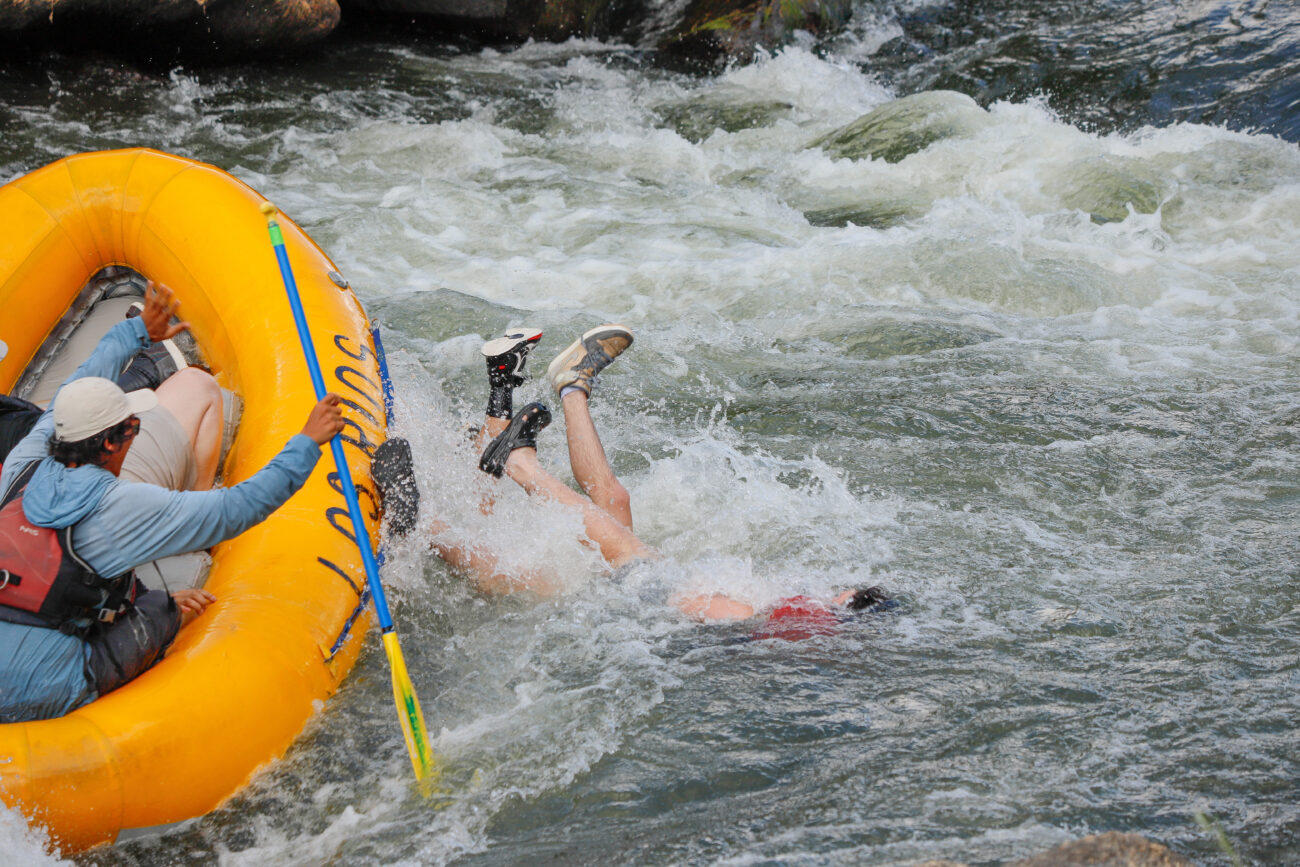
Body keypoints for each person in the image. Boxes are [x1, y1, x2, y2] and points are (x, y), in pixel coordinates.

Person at [373, 324, 893, 632]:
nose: (837, 589)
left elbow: (701, 613)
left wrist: (675, 589)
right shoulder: (790, 605)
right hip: (645, 591)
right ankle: (543, 387)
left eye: (842, 595)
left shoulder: (768, 623)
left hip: (626, 603)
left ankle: (438, 510)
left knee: (508, 571)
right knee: (611, 501)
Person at [0, 282, 345, 723]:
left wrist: (137, 332)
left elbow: (83, 378)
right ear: (111, 443)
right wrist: (308, 441)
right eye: (132, 429)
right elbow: (237, 508)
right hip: (40, 691)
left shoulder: (26, 458)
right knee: (158, 607)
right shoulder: (121, 508)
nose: (136, 434)